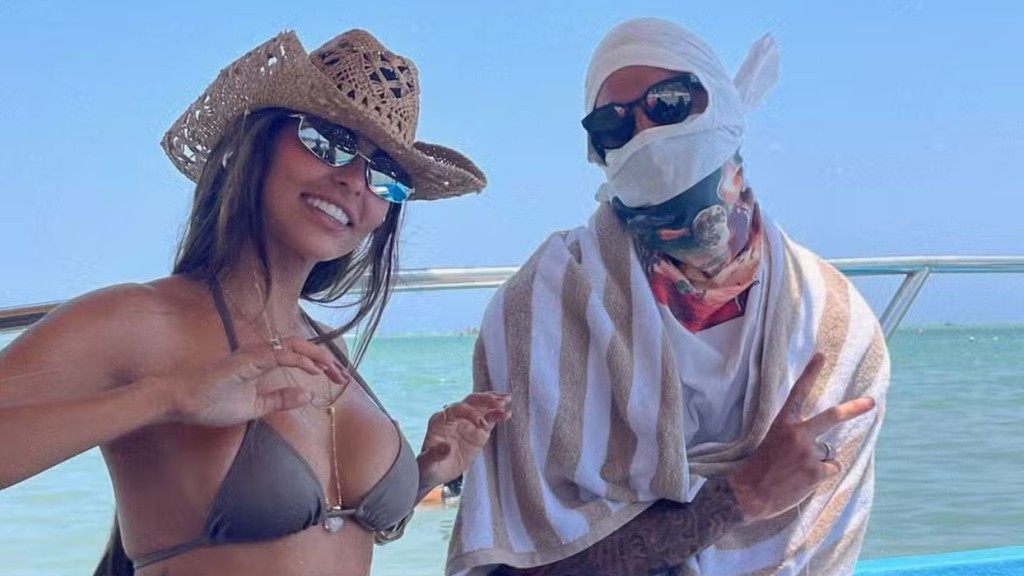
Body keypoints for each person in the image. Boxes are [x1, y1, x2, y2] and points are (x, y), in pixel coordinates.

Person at [0, 29, 511, 576]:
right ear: (256, 142)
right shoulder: (140, 321)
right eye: (329, 141)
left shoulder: (330, 349)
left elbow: (325, 532)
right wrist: (168, 398)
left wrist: (424, 473)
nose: (354, 181)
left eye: (386, 174)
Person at [447, 18, 889, 576]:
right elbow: (521, 565)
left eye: (670, 103)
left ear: (724, 105)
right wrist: (739, 498)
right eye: (613, 125)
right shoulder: (540, 309)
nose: (645, 136)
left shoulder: (835, 326)